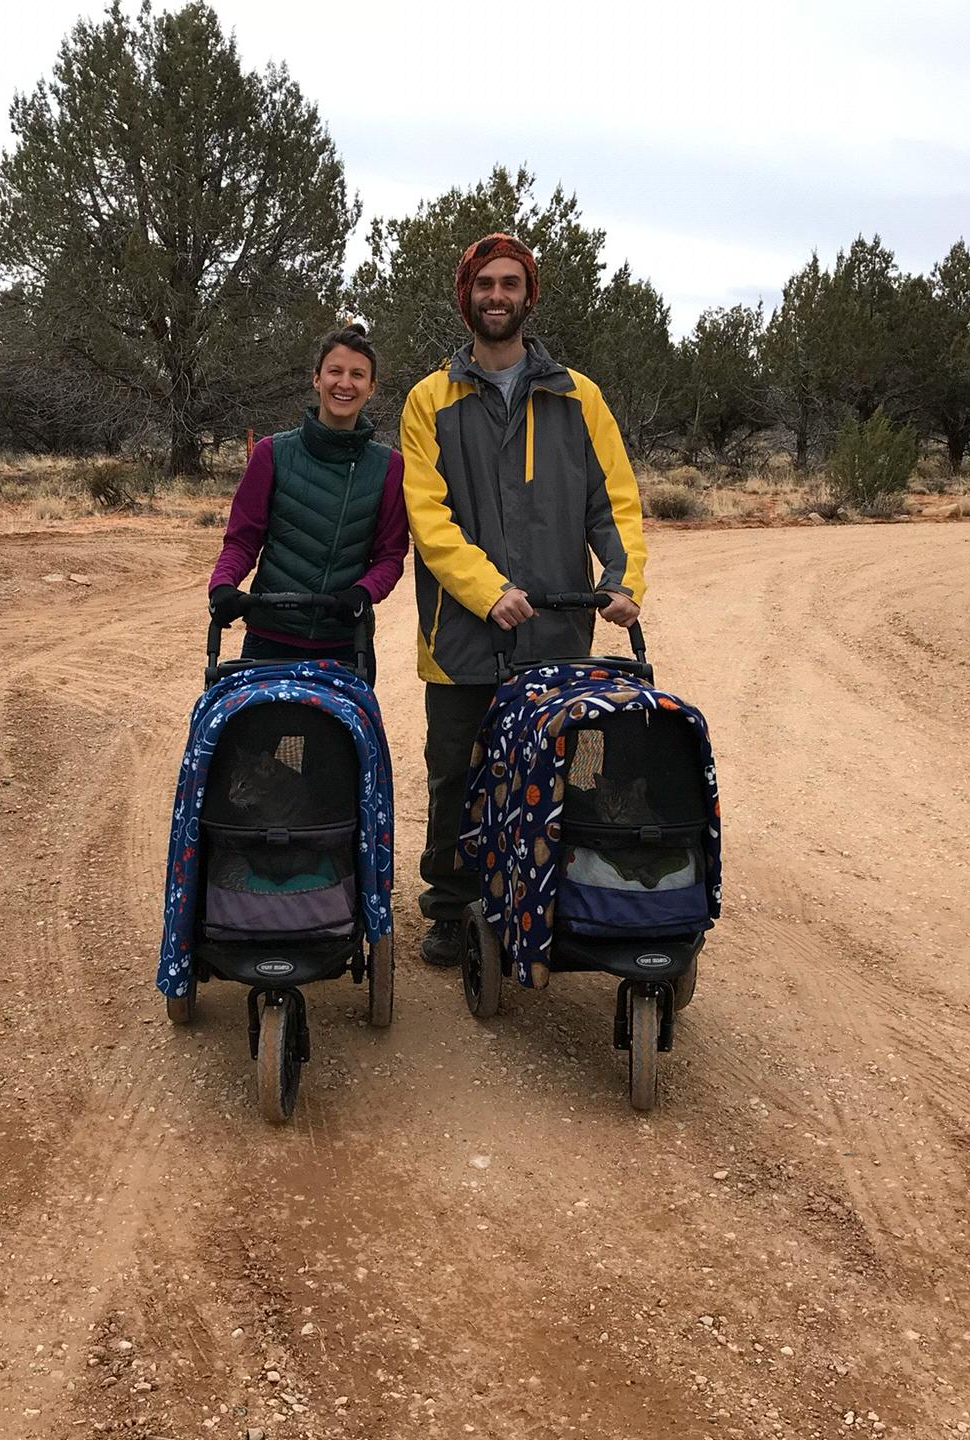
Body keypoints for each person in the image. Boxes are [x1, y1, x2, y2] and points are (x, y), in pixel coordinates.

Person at [398, 232, 647, 965]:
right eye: (485, 284)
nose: (497, 296)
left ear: (528, 296)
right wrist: (488, 591)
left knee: (566, 769)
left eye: (510, 283)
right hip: (462, 637)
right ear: (467, 297)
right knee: (456, 774)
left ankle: (557, 894)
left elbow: (613, 500)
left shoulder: (579, 397)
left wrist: (623, 580)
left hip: (557, 632)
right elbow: (428, 518)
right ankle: (452, 907)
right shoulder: (429, 401)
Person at [208, 323, 408, 667]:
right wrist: (222, 585)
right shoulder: (272, 453)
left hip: (346, 643)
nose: (345, 383)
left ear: (371, 387)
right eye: (335, 371)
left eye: (357, 375)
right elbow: (242, 540)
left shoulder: (388, 467)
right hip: (269, 640)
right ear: (317, 379)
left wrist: (362, 593)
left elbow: (390, 556)